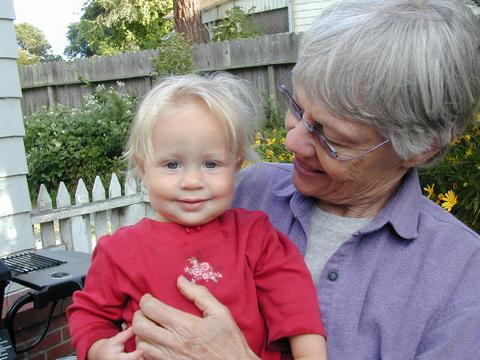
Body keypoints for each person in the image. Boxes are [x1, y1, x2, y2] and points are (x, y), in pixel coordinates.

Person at [129, 0, 480, 359]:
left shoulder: (461, 277)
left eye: (331, 137)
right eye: (297, 107)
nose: (292, 141)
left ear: (419, 150)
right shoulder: (244, 192)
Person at [67, 73, 327, 360]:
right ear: (142, 168)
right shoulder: (119, 250)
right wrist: (98, 349)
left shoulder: (256, 236)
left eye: (211, 163)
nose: (192, 181)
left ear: (236, 165)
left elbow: (297, 307)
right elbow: (89, 313)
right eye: (172, 164)